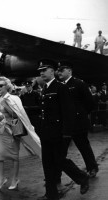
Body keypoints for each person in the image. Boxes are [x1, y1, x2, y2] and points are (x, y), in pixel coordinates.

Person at [37, 59, 89, 200]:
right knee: (47, 164)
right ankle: (51, 194)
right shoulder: (45, 89)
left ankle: (82, 178)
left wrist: (66, 133)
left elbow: (68, 111)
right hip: (46, 134)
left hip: (58, 133)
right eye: (40, 71)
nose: (41, 73)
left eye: (44, 70)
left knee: (60, 161)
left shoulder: (60, 87)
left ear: (52, 71)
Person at [0, 76, 41, 191]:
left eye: (0, 85)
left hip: (12, 130)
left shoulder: (14, 98)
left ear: (7, 86)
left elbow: (17, 115)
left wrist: (5, 107)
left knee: (14, 156)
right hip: (1, 130)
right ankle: (2, 179)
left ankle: (15, 179)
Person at [57, 61, 98, 179]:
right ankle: (56, 175)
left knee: (83, 147)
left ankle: (92, 168)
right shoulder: (60, 85)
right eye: (58, 70)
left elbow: (90, 102)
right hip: (65, 123)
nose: (59, 72)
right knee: (61, 151)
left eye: (62, 70)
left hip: (78, 122)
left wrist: (81, 114)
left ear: (69, 71)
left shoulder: (78, 83)